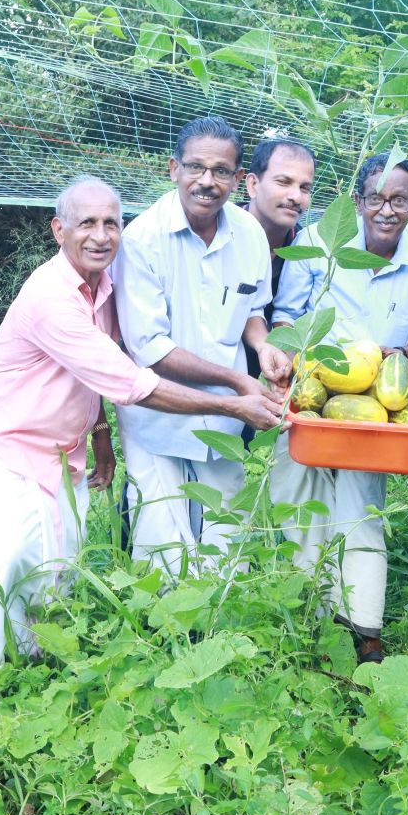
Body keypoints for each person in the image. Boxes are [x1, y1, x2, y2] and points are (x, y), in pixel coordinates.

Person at [0, 177, 283, 719]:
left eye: (111, 223)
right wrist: (233, 403)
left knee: (57, 560)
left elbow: (92, 374)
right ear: (58, 230)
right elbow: (131, 381)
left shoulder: (102, 287)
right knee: (8, 551)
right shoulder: (50, 297)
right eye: (87, 223)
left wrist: (102, 436)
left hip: (65, 448)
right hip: (8, 442)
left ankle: (33, 658)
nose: (102, 235)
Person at [257, 154, 408, 663]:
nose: (386, 210)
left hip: (376, 410)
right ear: (358, 201)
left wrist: (397, 359)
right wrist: (304, 363)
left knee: (361, 510)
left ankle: (364, 629)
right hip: (309, 394)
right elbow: (286, 318)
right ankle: (311, 617)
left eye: (399, 200)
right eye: (375, 199)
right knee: (299, 502)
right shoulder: (321, 244)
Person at [113, 116, 282, 573]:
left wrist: (264, 348)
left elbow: (252, 309)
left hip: (227, 415)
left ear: (236, 177)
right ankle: (164, 637)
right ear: (173, 169)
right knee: (161, 539)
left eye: (221, 171)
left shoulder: (248, 233)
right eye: (196, 168)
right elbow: (150, 347)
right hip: (159, 416)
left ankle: (223, 633)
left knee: (230, 535)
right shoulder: (141, 239)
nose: (207, 181)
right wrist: (237, 380)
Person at [240, 137, 316, 379]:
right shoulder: (218, 236)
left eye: (305, 188)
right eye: (284, 182)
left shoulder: (309, 252)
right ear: (252, 184)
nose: (295, 196)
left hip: (281, 379)